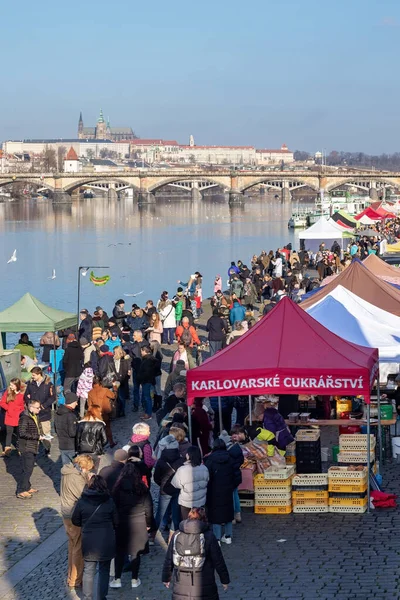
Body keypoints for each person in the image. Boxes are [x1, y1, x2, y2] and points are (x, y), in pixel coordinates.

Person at [162, 507, 230, 598]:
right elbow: (218, 561)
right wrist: (224, 580)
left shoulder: (177, 535)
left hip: (181, 586)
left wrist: (166, 578)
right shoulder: (209, 536)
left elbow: (169, 559)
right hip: (205, 585)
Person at [72, 475, 118, 600]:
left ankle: (87, 597)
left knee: (88, 569)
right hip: (106, 539)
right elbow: (116, 521)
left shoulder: (82, 501)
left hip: (89, 540)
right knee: (104, 571)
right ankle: (102, 597)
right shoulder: (109, 501)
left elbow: (75, 520)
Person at [110, 463, 154, 589]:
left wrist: (114, 522)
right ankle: (134, 579)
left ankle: (117, 579)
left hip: (122, 522)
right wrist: (149, 523)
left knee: (119, 552)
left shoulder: (117, 488)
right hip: (139, 522)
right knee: (136, 552)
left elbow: (113, 507)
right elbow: (148, 507)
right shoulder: (142, 488)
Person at [61, 454, 94, 589]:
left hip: (66, 513)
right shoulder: (76, 477)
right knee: (78, 549)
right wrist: (89, 480)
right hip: (75, 514)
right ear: (83, 467)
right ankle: (75, 580)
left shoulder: (67, 471)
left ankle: (71, 576)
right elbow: (84, 494)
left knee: (72, 545)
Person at [204, 439, 240, 544]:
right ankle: (228, 536)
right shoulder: (231, 459)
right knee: (228, 513)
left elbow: (207, 477)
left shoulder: (209, 460)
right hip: (228, 490)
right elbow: (237, 475)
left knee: (215, 514)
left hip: (213, 491)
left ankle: (217, 538)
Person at [154, 434, 185, 533]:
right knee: (176, 514)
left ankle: (153, 534)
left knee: (160, 513)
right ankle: (174, 534)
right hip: (177, 490)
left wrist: (162, 484)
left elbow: (156, 478)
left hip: (165, 490)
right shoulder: (181, 460)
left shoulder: (161, 461)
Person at [171, 446, 209, 520]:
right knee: (199, 522)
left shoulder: (182, 469)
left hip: (186, 502)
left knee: (186, 523)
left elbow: (176, 484)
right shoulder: (204, 468)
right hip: (201, 501)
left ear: (188, 455)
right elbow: (207, 480)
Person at [24, 367, 53, 455]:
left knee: (46, 432)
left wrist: (43, 406)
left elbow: (53, 397)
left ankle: (47, 448)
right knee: (33, 432)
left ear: (39, 374)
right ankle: (34, 449)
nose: (32, 377)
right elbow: (25, 396)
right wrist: (30, 405)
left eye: (33, 375)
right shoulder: (30, 384)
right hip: (33, 413)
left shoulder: (48, 384)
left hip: (44, 413)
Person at [16, 399, 42, 499]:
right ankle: (21, 490)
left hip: (32, 445)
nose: (39, 409)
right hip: (26, 447)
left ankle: (27, 487)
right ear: (31, 407)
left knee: (29, 468)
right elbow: (22, 433)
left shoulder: (34, 416)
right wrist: (37, 437)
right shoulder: (24, 418)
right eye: (37, 407)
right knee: (27, 469)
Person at [87, 376, 116, 447]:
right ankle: (111, 442)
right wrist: (115, 388)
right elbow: (113, 396)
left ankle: (99, 445)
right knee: (107, 428)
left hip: (96, 414)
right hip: (105, 413)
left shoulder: (90, 393)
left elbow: (89, 405)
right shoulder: (105, 390)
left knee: (97, 430)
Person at [0, 378, 25, 456]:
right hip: (9, 417)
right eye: (10, 385)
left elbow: (22, 406)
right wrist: (8, 408)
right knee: (9, 433)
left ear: (16, 386)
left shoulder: (21, 395)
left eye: (12, 385)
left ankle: (20, 449)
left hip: (18, 417)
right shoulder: (8, 392)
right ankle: (7, 450)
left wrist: (19, 411)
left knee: (19, 433)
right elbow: (2, 402)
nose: (10, 386)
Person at [54, 392, 79, 465]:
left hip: (62, 445)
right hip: (71, 445)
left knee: (66, 469)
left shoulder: (57, 413)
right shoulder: (70, 415)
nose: (76, 404)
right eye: (76, 402)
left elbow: (56, 429)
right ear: (72, 402)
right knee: (76, 467)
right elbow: (72, 433)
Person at [130, 330, 150, 412]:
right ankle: (136, 405)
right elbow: (131, 357)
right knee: (136, 389)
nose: (133, 336)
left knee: (144, 389)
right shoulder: (133, 345)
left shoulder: (146, 344)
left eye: (134, 335)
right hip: (136, 370)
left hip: (144, 371)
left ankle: (144, 404)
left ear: (139, 336)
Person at [137, 345, 158, 419]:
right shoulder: (149, 359)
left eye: (142, 351)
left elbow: (147, 372)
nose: (141, 352)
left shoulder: (148, 360)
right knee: (147, 397)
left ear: (145, 351)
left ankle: (148, 413)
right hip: (148, 380)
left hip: (146, 381)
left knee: (147, 397)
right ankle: (147, 412)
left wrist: (141, 378)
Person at [113, 346, 131, 417]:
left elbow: (125, 371)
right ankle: (119, 410)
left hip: (121, 380)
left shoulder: (124, 360)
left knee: (121, 396)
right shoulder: (115, 359)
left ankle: (121, 411)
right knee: (118, 396)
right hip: (119, 379)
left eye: (114, 352)